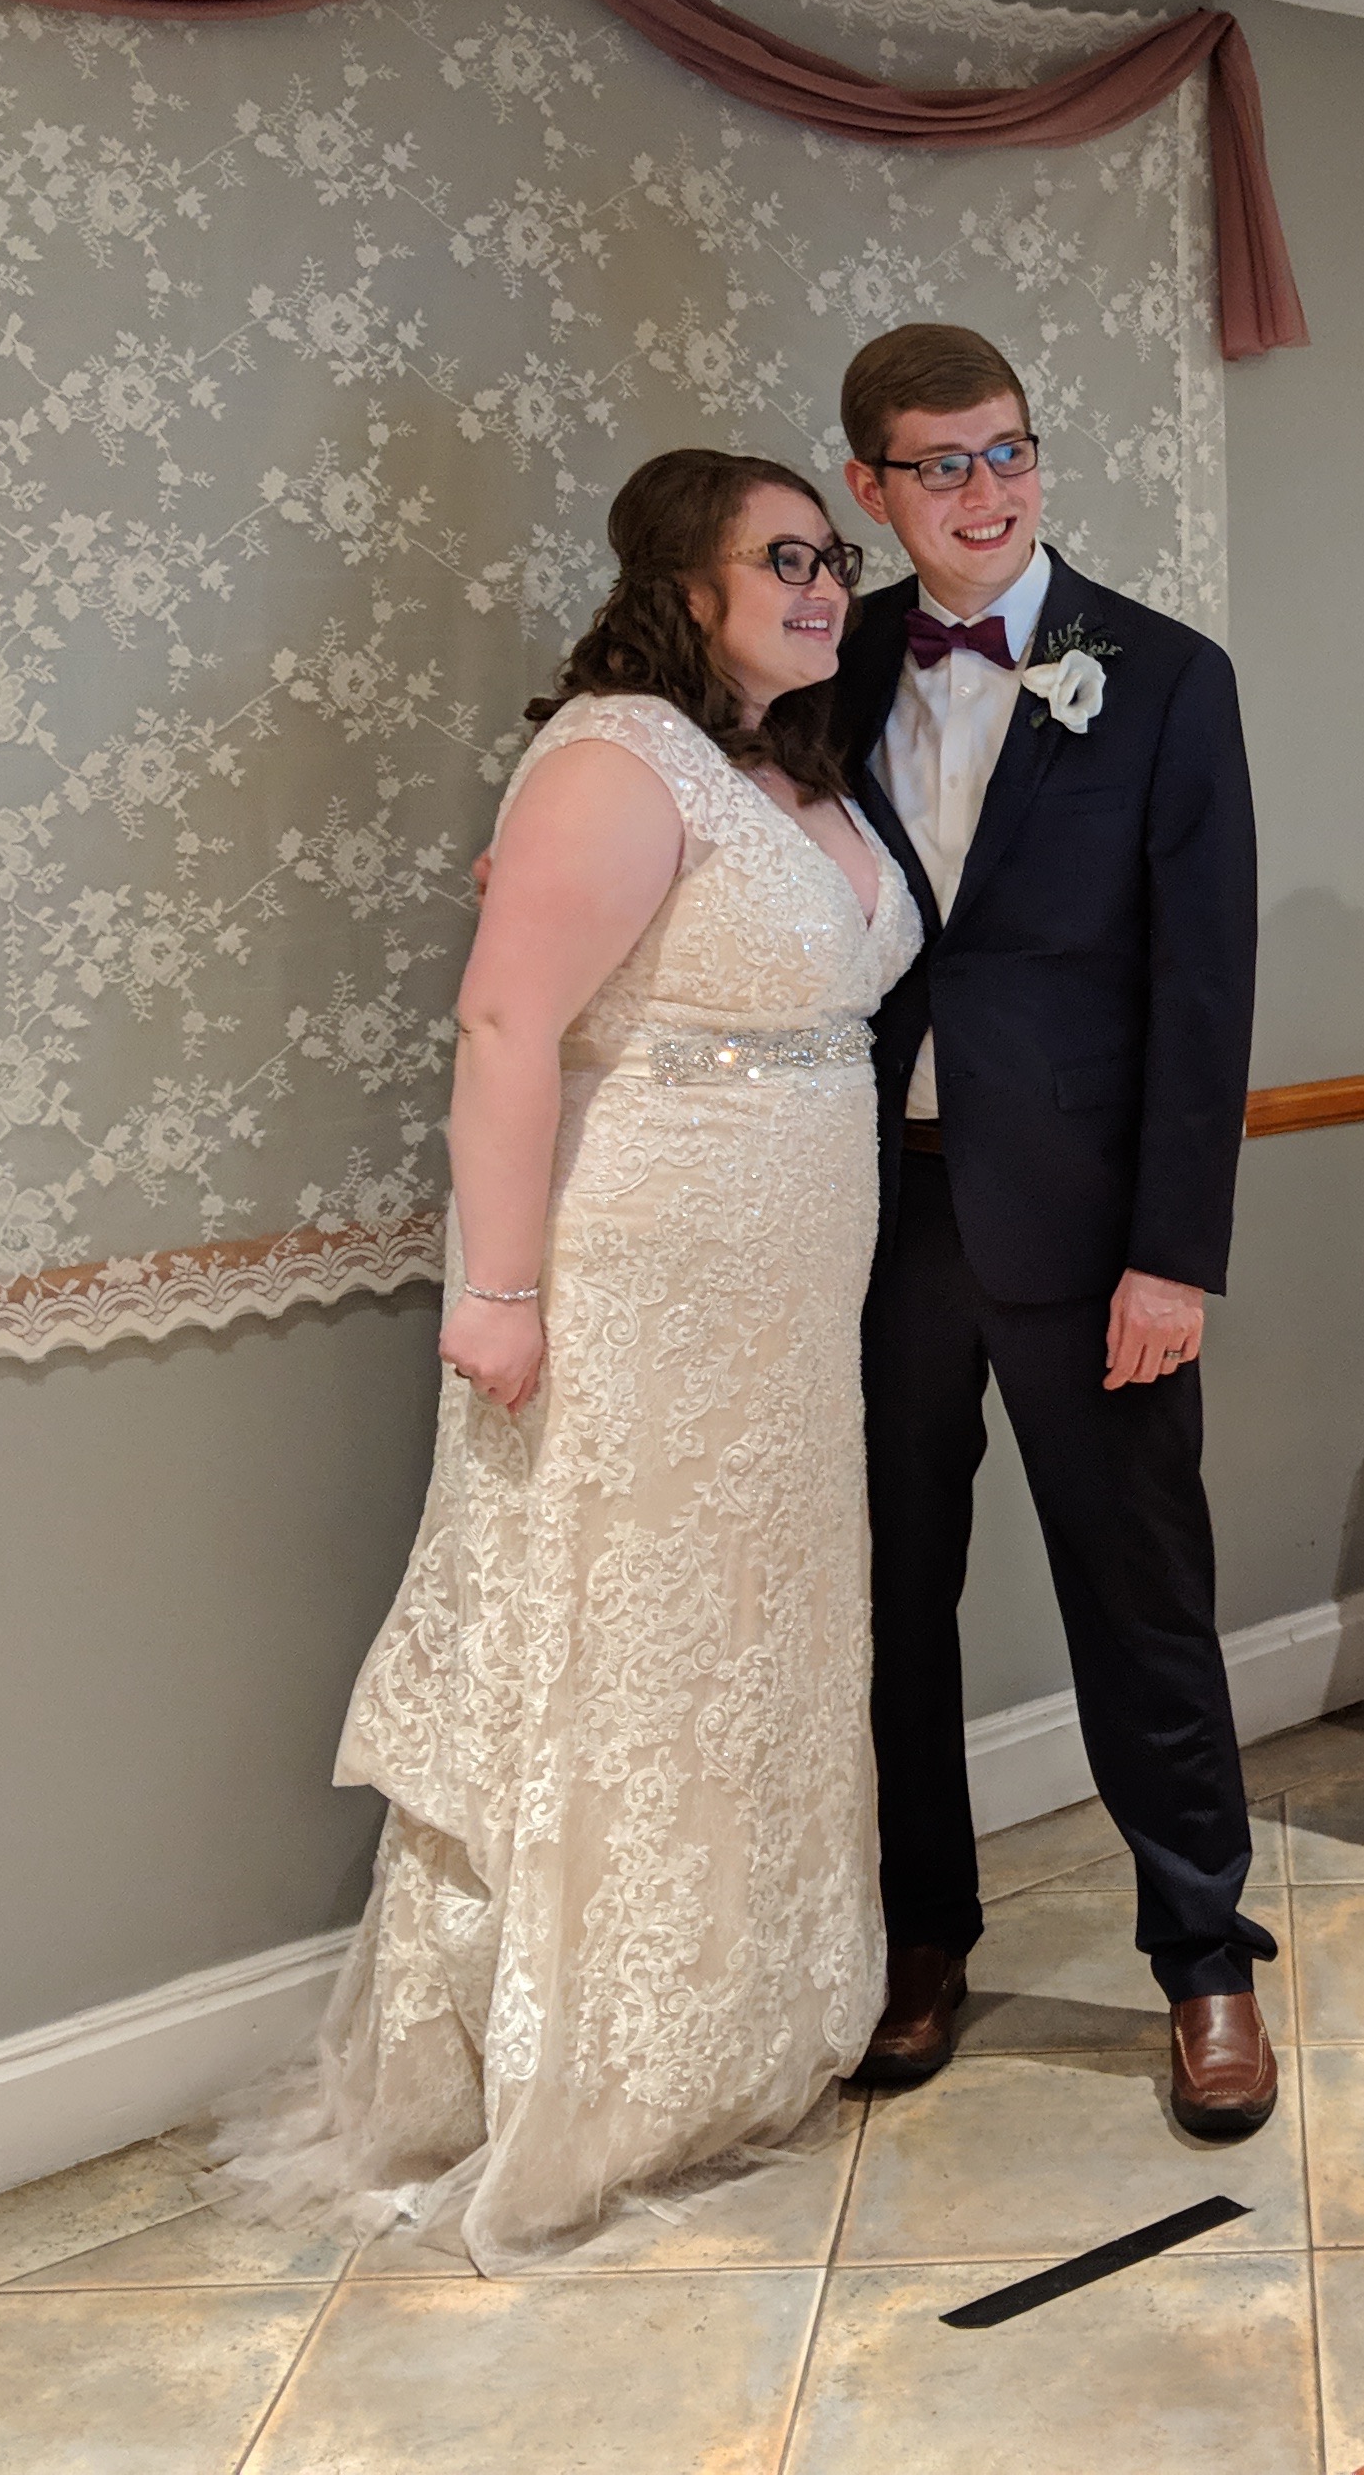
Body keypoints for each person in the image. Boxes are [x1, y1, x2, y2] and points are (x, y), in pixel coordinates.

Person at [223, 448, 919, 2265]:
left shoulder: (785, 765)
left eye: (831, 556)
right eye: (783, 556)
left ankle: (735, 2026)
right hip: (637, 1289)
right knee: (616, 1641)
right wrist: (503, 1291)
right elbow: (508, 1019)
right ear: (680, 581)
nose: (825, 582)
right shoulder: (621, 753)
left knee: (743, 1639)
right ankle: (582, 2062)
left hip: (780, 1306)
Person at [826, 325, 1270, 2134]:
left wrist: (1174, 1252)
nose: (987, 490)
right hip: (864, 1217)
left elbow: (1205, 983)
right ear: (868, 488)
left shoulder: (1161, 675)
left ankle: (1206, 1962)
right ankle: (923, 1935)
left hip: (1089, 1227)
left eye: (1008, 449)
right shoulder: (824, 662)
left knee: (1140, 1594)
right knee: (889, 1601)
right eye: (941, 463)